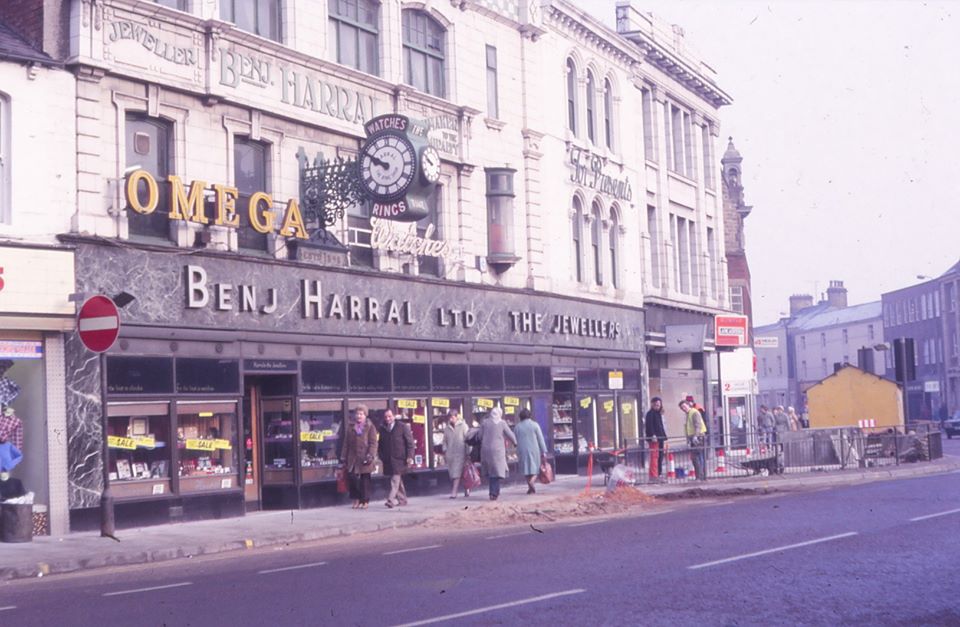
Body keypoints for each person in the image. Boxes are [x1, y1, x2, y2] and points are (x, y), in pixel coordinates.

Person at [340, 404, 378, 509]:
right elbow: (346, 443)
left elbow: (373, 443)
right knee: (353, 480)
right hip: (353, 458)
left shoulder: (370, 427)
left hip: (365, 457)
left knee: (365, 480)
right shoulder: (351, 427)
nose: (359, 416)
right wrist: (343, 457)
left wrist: (370, 455)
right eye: (357, 414)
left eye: (361, 414)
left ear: (365, 415)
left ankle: (365, 501)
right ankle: (356, 499)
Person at [379, 409, 415, 509]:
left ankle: (390, 499)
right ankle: (403, 499)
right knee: (397, 480)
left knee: (395, 480)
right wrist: (381, 456)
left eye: (389, 416)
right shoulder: (382, 429)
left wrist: (410, 456)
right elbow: (380, 444)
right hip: (388, 460)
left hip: (400, 459)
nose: (387, 419)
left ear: (394, 416)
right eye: (386, 417)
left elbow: (410, 443)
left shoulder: (402, 427)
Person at [479, 407, 517, 501]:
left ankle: (494, 492)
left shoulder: (485, 422)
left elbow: (480, 436)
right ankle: (494, 493)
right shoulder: (502, 423)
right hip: (498, 450)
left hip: (486, 450)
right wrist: (515, 442)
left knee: (491, 471)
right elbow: (510, 434)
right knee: (496, 472)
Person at [514, 409, 547, 494]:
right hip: (534, 449)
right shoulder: (535, 425)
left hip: (522, 449)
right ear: (529, 415)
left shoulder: (517, 427)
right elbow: (540, 439)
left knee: (525, 468)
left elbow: (515, 439)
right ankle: (532, 481)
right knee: (536, 468)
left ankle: (530, 488)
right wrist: (544, 450)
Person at [442, 409, 470, 498]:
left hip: (461, 453)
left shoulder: (463, 426)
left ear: (456, 416)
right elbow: (444, 441)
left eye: (452, 417)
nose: (451, 420)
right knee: (457, 473)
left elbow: (468, 439)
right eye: (449, 418)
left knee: (456, 473)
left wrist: (468, 452)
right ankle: (467, 488)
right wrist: (445, 450)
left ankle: (454, 492)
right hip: (450, 454)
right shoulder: (447, 428)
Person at [681, 399, 707, 481]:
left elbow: (698, 425)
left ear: (689, 405)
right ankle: (701, 476)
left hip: (698, 437)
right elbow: (689, 427)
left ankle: (699, 476)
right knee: (698, 457)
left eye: (684, 406)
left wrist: (695, 436)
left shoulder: (694, 412)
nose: (683, 409)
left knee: (696, 457)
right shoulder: (688, 414)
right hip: (695, 437)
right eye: (682, 408)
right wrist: (689, 439)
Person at [644, 397, 667, 480]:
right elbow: (649, 426)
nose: (658, 406)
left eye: (659, 405)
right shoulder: (650, 414)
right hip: (655, 439)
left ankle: (658, 473)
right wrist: (653, 435)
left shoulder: (659, 414)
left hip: (660, 438)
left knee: (660, 456)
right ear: (652, 404)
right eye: (656, 405)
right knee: (655, 456)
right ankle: (654, 475)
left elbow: (662, 425)